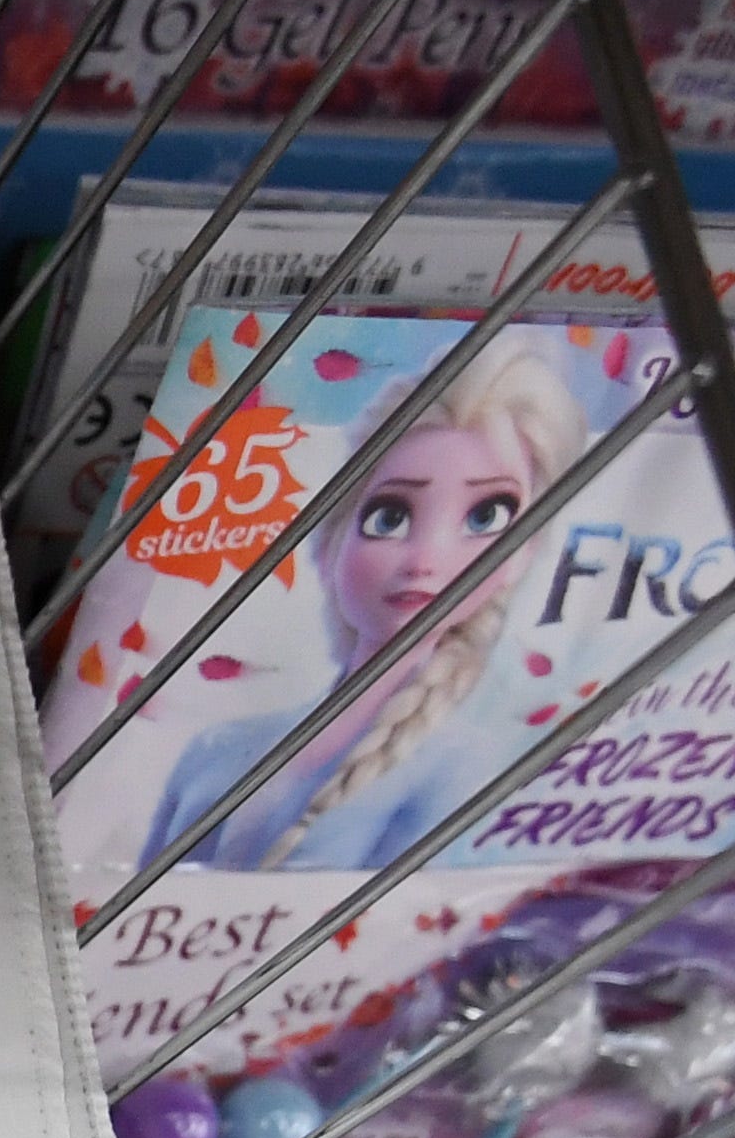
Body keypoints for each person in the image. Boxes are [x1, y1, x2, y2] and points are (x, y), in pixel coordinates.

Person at [142, 337, 589, 877]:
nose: (424, 560)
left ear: (523, 554)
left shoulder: (468, 772)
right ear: (333, 541)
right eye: (389, 517)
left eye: (485, 517)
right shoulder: (216, 748)